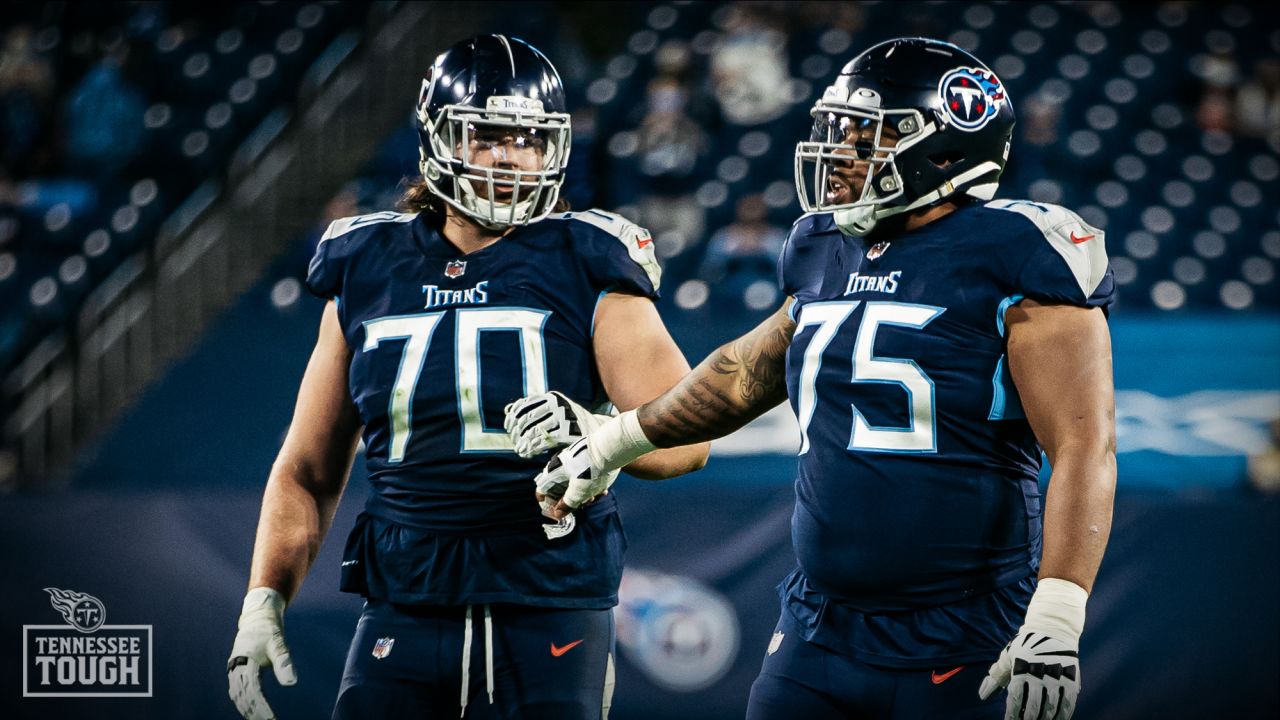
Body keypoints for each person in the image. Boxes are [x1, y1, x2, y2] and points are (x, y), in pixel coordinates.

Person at [538, 37, 1116, 720]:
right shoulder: (823, 246)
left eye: (866, 133)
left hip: (970, 628)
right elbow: (741, 376)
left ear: (946, 149)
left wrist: (1056, 611)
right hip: (821, 627)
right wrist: (615, 442)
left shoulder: (1017, 253)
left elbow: (1083, 446)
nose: (839, 149)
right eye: (838, 128)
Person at [226, 34, 708, 720]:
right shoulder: (367, 264)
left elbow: (689, 440)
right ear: (436, 138)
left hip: (549, 599)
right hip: (405, 598)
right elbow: (307, 469)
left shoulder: (590, 259)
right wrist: (263, 598)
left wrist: (605, 433)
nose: (511, 155)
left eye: (528, 138)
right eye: (487, 134)